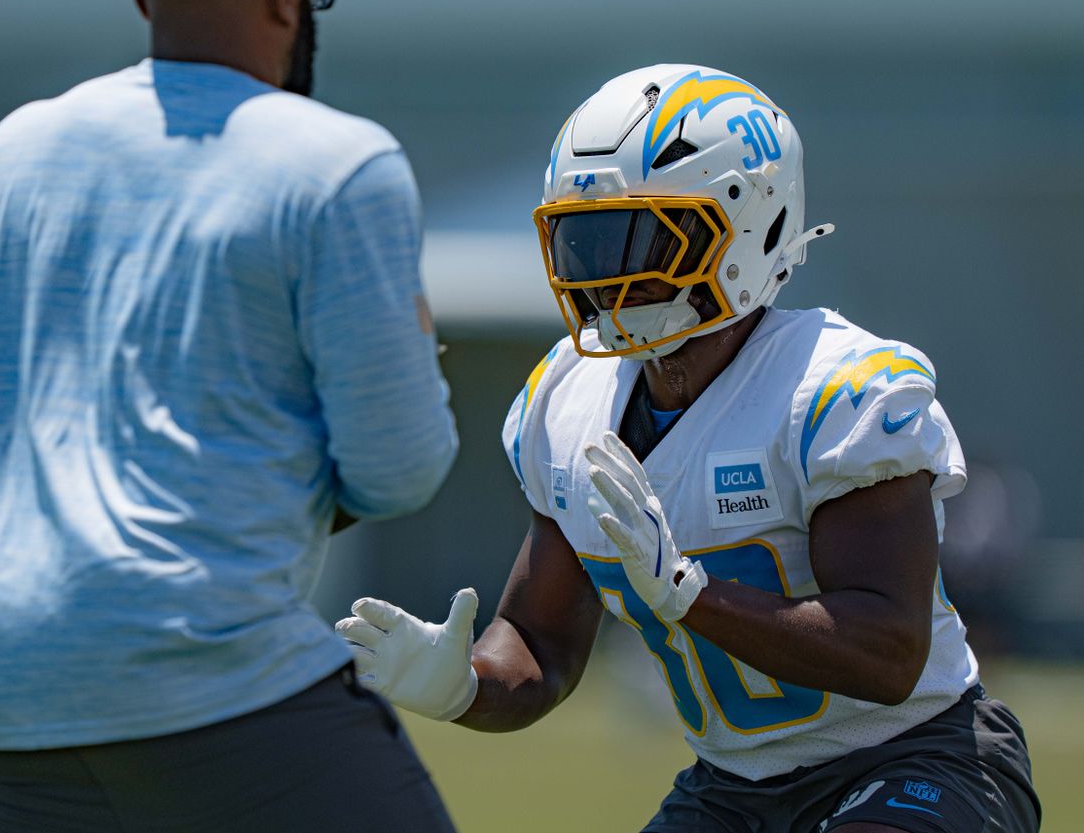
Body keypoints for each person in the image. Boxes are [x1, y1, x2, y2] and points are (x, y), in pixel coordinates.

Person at [337, 65, 1041, 832]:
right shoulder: (568, 402)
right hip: (734, 786)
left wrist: (689, 594)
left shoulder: (833, 389)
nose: (608, 275)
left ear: (748, 225)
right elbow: (540, 643)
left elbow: (887, 652)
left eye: (643, 237)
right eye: (587, 241)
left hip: (914, 754)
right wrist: (464, 683)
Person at [0, 0, 458, 830]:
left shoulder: (8, 153)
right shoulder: (340, 163)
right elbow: (399, 468)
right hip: (211, 663)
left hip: (16, 688)